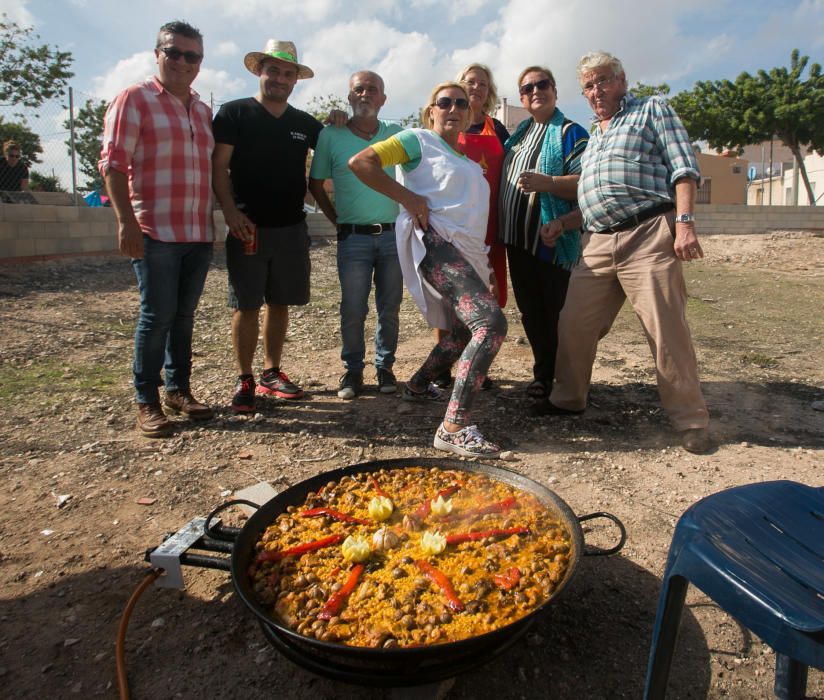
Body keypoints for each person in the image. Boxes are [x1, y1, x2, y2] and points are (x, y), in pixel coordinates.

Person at [543, 50, 712, 454]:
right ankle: (568, 401)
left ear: (621, 80)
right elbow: (595, 194)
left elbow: (684, 168)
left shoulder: (651, 109)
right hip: (596, 242)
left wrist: (685, 223)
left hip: (649, 234)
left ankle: (690, 419)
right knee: (573, 323)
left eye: (603, 80)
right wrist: (565, 223)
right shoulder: (595, 134)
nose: (596, 90)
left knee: (665, 329)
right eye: (588, 85)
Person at [350, 82, 507, 458]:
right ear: (431, 111)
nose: (454, 107)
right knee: (491, 325)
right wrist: (408, 198)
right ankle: (454, 425)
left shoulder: (470, 164)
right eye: (444, 102)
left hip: (466, 252)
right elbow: (362, 162)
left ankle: (419, 385)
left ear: (470, 114)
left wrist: (483, 267)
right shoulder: (417, 140)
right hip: (435, 244)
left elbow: (471, 218)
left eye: (461, 103)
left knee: (458, 332)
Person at [99, 20, 215, 438]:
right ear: (158, 54)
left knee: (183, 317)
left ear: (200, 62)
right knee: (156, 317)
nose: (183, 62)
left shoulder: (203, 110)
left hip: (197, 232)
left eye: (192, 55)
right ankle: (146, 400)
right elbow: (113, 164)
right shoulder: (135, 99)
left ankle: (178, 389)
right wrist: (125, 222)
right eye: (175, 52)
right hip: (154, 230)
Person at [212, 40, 323, 413]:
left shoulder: (305, 124)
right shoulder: (234, 113)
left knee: (280, 302)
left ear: (295, 80)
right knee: (246, 305)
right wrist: (230, 212)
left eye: (287, 72)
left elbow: (334, 153)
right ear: (259, 71)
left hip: (291, 227)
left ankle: (271, 372)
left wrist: (338, 119)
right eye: (272, 70)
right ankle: (244, 378)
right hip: (248, 226)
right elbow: (218, 168)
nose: (279, 77)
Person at [307, 71, 403, 400]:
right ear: (349, 97)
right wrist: (335, 219)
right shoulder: (330, 136)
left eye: (372, 90)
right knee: (352, 308)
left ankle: (385, 366)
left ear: (383, 99)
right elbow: (315, 184)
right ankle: (353, 370)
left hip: (392, 237)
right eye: (358, 89)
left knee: (389, 307)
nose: (365, 94)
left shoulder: (396, 134)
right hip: (353, 239)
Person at [498, 66, 589, 404]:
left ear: (555, 90)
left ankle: (566, 382)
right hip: (517, 242)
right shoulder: (518, 135)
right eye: (527, 88)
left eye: (542, 84)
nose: (535, 91)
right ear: (521, 98)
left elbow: (588, 183)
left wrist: (548, 184)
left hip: (552, 242)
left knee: (558, 315)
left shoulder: (570, 132)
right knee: (531, 313)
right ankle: (543, 374)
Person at [433, 63, 510, 390]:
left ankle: (476, 366)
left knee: (486, 303)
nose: (475, 87)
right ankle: (440, 369)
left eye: (482, 83)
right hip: (456, 228)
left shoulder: (499, 130)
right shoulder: (446, 127)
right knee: (448, 301)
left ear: (488, 90)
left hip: (491, 226)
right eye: (470, 82)